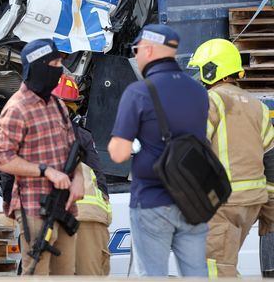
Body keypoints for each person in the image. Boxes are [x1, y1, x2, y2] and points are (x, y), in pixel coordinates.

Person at [108, 24, 209, 277]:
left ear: (150, 49)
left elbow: (119, 154)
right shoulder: (198, 91)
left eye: (137, 49)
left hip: (151, 202)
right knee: (197, 272)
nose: (136, 55)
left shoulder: (139, 92)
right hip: (192, 200)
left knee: (153, 275)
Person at [0, 39, 83, 275]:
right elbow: (1, 158)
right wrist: (46, 171)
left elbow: (73, 148)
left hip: (66, 206)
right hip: (34, 207)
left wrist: (78, 179)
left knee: (66, 273)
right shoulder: (17, 108)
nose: (58, 69)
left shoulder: (57, 105)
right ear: (38, 66)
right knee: (36, 271)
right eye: (52, 64)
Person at [188, 38, 274, 277]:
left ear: (211, 69)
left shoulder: (210, 100)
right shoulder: (258, 107)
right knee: (225, 262)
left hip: (223, 201)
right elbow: (271, 159)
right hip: (252, 201)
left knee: (216, 268)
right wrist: (270, 208)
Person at [52, 76, 112, 276]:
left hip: (53, 217)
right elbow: (99, 178)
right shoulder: (84, 137)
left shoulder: (35, 135)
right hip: (90, 217)